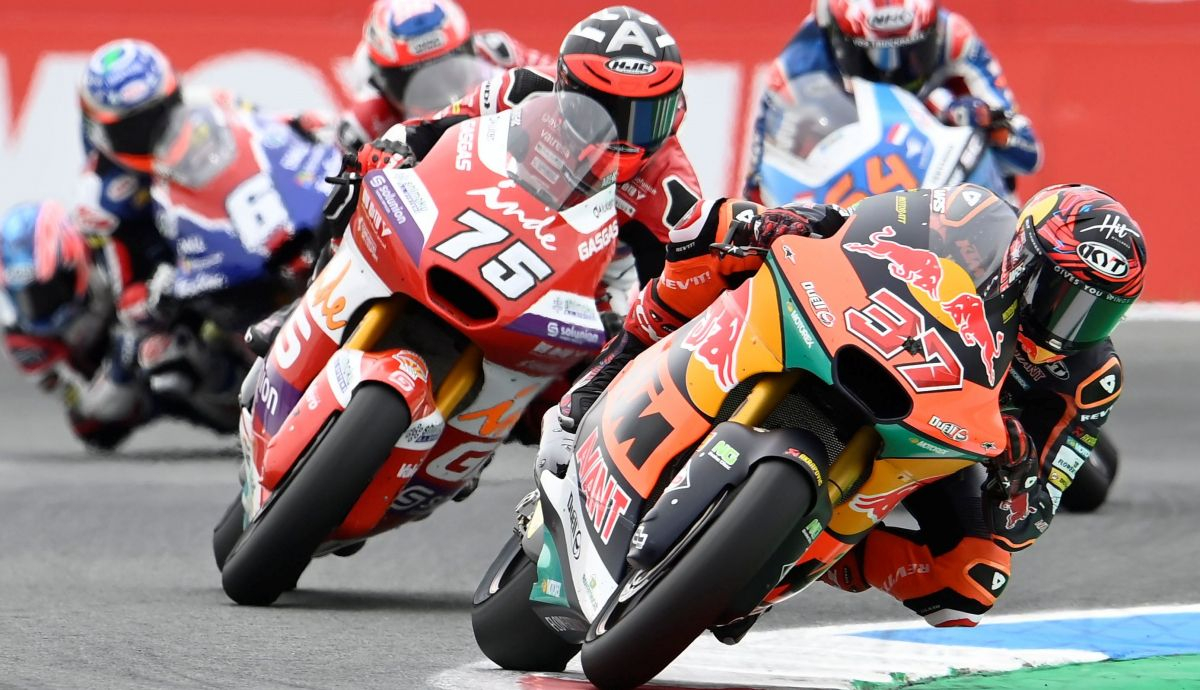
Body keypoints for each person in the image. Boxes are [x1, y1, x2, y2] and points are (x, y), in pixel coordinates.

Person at [541, 183, 1146, 635]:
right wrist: (799, 222)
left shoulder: (1092, 379)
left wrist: (1017, 472)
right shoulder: (970, 218)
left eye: (1098, 312)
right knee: (718, 239)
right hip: (864, 336)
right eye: (1061, 294)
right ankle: (609, 373)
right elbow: (863, 220)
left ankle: (799, 555)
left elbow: (1032, 517)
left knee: (974, 582)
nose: (1071, 322)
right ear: (1024, 256)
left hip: (939, 443)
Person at [356, 4, 702, 291]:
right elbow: (430, 128)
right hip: (473, 231)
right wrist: (393, 149)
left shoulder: (676, 197)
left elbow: (666, 311)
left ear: (672, 108)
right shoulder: (525, 88)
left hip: (577, 296)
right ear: (566, 91)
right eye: (601, 110)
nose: (622, 137)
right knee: (355, 195)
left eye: (644, 119)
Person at [745, 0, 1042, 200]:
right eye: (869, 56)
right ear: (832, 34)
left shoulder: (957, 37)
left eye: (912, 53)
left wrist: (982, 121)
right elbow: (759, 179)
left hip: (946, 187)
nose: (891, 70)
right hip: (858, 193)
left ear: (933, 31)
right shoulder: (798, 63)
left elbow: (1029, 153)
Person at [0, 201, 149, 449]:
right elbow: (86, 403)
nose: (40, 304)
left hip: (149, 318)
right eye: (26, 296)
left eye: (51, 289)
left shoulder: (104, 246)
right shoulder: (22, 342)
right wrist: (123, 355)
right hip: (118, 375)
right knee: (92, 428)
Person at [335, 0, 555, 152]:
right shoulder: (364, 122)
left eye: (451, 70)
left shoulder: (498, 50)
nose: (442, 91)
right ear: (384, 80)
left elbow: (562, 78)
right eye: (422, 83)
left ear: (470, 48)